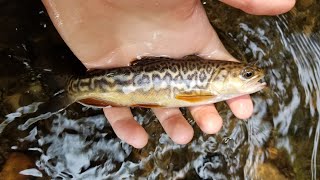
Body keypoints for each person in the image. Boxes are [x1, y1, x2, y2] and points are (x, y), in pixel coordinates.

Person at [42, 0, 295, 148]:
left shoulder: (212, 83)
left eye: (249, 74)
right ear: (221, 76)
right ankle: (72, 90)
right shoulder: (207, 89)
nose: (254, 78)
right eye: (247, 74)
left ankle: (72, 90)